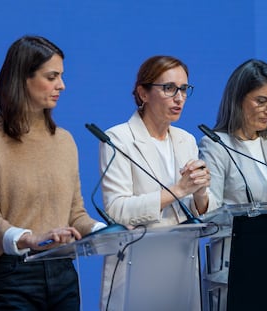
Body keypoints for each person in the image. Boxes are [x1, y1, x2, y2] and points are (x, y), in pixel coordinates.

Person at [0, 35, 105, 310]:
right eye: (52, 77)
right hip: (11, 275)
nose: (62, 86)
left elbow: (75, 214)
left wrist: (106, 231)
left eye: (61, 76)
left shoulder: (65, 140)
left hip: (63, 272)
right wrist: (29, 238)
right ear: (22, 79)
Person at [98, 55, 218, 310]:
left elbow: (204, 210)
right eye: (169, 88)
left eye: (184, 89)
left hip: (182, 263)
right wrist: (178, 190)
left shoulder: (186, 140)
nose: (179, 98)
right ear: (143, 93)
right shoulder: (118, 139)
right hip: (138, 265)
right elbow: (117, 209)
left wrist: (201, 193)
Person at [198, 59, 267, 311]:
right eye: (261, 101)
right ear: (238, 99)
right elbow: (211, 216)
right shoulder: (215, 145)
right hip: (234, 270)